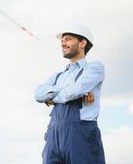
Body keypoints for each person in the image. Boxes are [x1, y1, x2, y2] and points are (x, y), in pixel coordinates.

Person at [34, 25, 106, 164]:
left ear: (82, 43)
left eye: (68, 39)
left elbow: (75, 91)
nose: (62, 43)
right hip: (53, 135)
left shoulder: (94, 67)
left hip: (80, 134)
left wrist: (51, 98)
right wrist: (68, 93)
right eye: (62, 41)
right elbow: (38, 94)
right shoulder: (58, 75)